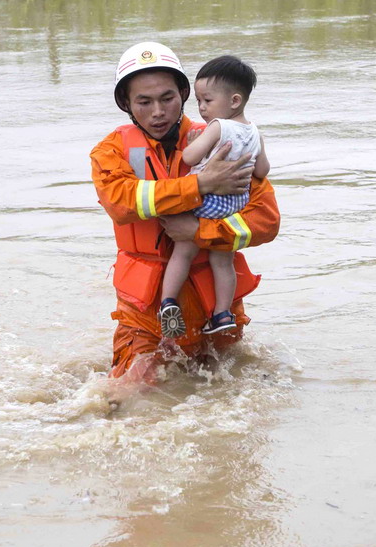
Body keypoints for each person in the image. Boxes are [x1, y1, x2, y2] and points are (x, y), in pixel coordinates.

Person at [90, 42, 280, 383]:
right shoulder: (110, 150)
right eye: (144, 102)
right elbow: (120, 202)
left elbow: (265, 221)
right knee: (126, 395)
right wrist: (200, 185)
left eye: (167, 98)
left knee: (227, 402)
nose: (158, 111)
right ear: (127, 105)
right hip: (146, 316)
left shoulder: (225, 137)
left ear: (184, 94)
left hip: (217, 312)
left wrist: (199, 232)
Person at [159, 55, 271, 339]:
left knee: (183, 252)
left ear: (234, 101)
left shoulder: (219, 127)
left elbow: (190, 156)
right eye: (198, 101)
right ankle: (222, 313)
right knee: (223, 262)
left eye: (207, 100)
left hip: (207, 201)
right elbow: (262, 169)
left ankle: (167, 302)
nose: (201, 108)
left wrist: (196, 144)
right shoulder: (255, 131)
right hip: (234, 205)